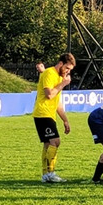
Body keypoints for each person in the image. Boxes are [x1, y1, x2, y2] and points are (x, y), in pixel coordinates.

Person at [32, 54, 74, 183]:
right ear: (61, 63)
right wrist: (63, 83)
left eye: (70, 70)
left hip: (48, 114)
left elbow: (57, 102)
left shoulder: (57, 77)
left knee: (48, 144)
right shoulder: (50, 73)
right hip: (43, 113)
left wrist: (65, 120)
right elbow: (49, 94)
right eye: (67, 68)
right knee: (55, 142)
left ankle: (46, 175)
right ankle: (50, 173)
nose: (68, 72)